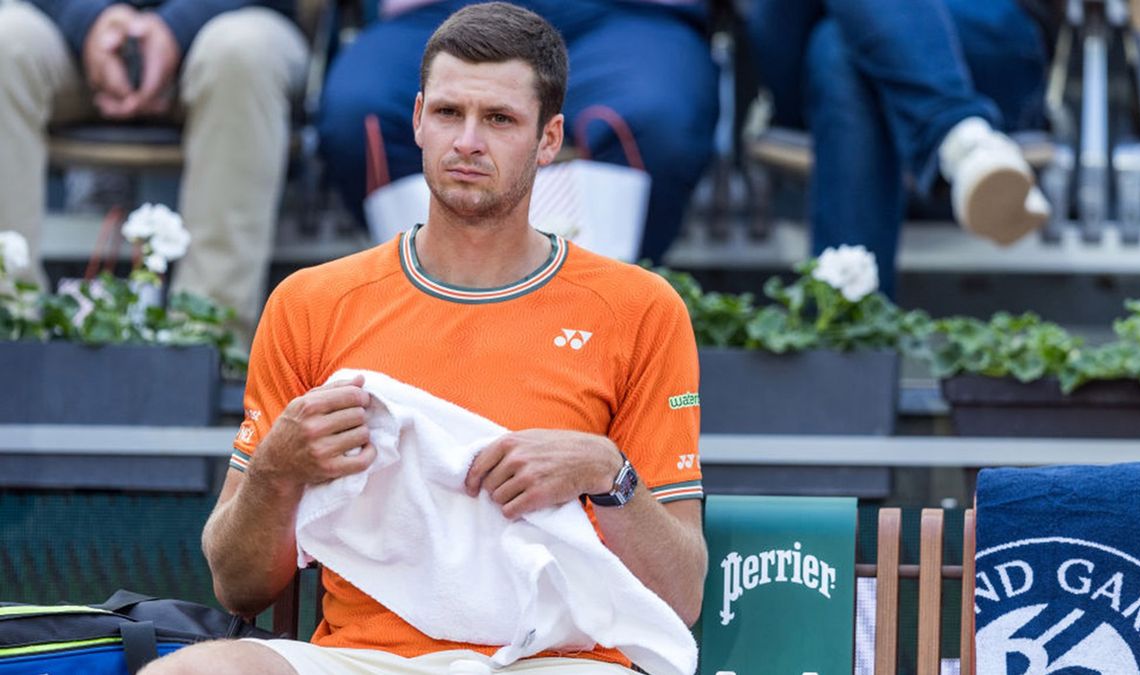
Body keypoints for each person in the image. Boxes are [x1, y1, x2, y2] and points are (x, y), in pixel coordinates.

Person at [145, 3, 706, 673]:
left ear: (548, 139)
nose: (468, 141)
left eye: (499, 120)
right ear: (416, 119)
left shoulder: (640, 307)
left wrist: (606, 472)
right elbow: (238, 586)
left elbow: (681, 594)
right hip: (361, 659)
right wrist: (276, 468)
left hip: (561, 657)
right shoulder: (310, 302)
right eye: (448, 113)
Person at [0, 0, 308, 344]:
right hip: (70, 33)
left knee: (241, 53)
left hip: (228, 20)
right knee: (5, 40)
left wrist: (177, 25)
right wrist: (88, 19)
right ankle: (11, 326)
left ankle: (206, 346)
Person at [317, 0, 718, 263]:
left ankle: (607, 312)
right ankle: (423, 297)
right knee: (361, 115)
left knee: (658, 121)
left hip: (622, 13)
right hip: (433, 11)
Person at [749, 0, 1053, 296]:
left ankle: (846, 326)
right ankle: (959, 136)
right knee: (845, 39)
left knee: (837, 50)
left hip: (976, 30)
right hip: (797, 30)